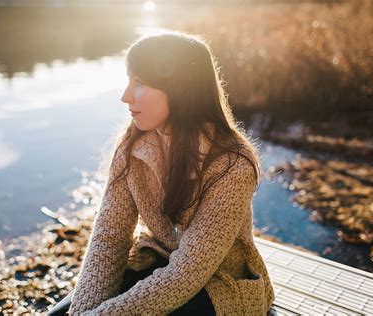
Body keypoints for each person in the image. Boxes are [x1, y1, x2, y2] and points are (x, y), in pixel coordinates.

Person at [49, 31, 275, 315]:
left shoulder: (232, 163)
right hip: (157, 261)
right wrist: (83, 310)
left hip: (219, 283)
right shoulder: (132, 145)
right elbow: (110, 236)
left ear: (180, 89)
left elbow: (188, 272)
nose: (125, 96)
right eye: (128, 80)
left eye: (140, 83)